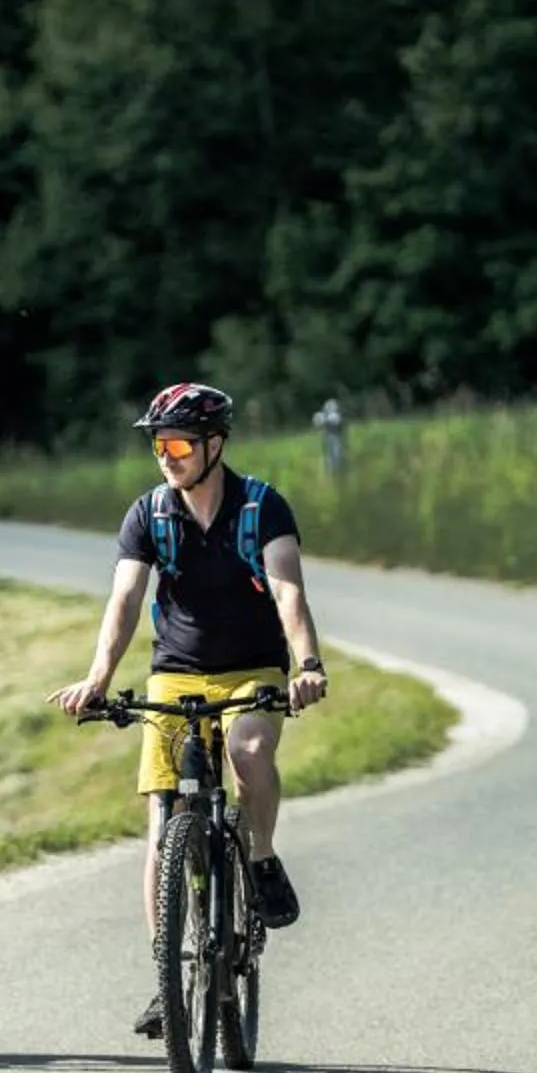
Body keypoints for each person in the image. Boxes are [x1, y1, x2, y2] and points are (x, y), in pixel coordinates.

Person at [49, 382, 328, 1038]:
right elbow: (123, 602)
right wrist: (98, 677)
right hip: (175, 675)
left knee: (249, 751)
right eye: (157, 445)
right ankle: (165, 980)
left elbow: (288, 592)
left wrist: (307, 665)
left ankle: (258, 857)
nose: (165, 457)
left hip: (252, 671)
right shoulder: (150, 515)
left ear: (214, 444)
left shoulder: (262, 507)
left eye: (176, 444)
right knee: (162, 825)